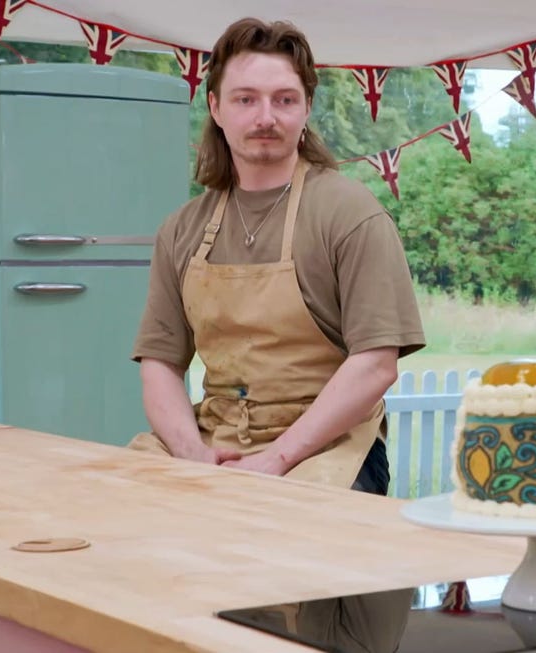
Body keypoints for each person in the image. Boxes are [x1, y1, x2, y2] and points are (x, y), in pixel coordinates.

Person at [128, 17, 425, 497]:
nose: (265, 117)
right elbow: (160, 364)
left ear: (306, 108)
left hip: (326, 451)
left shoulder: (350, 215)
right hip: (212, 442)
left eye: (284, 100)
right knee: (115, 504)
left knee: (276, 533)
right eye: (246, 99)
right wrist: (193, 456)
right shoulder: (181, 229)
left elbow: (376, 363)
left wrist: (276, 458)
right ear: (216, 108)